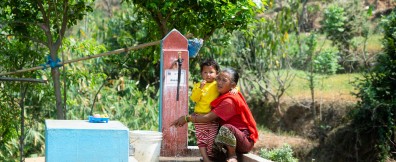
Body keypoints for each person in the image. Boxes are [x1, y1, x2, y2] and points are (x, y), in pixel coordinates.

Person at [171, 68, 258, 162]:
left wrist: (187, 118)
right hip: (232, 140)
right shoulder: (222, 94)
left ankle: (232, 156)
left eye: (224, 80)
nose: (219, 82)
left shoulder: (229, 101)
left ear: (233, 85)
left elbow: (207, 118)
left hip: (243, 141)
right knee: (210, 136)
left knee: (226, 128)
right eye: (219, 79)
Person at [190, 59, 238, 162]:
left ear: (217, 74)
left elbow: (231, 86)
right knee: (201, 138)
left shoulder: (217, 84)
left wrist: (235, 89)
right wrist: (200, 89)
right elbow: (194, 98)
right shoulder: (198, 85)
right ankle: (206, 158)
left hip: (212, 117)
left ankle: (211, 156)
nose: (208, 75)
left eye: (211, 72)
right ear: (201, 73)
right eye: (205, 72)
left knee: (211, 139)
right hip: (199, 116)